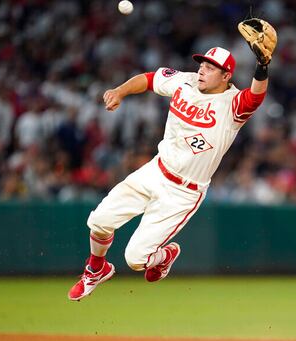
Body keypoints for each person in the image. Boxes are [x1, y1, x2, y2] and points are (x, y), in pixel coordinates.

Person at [68, 45, 272, 301]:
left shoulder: (232, 105)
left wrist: (262, 66)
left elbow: (255, 97)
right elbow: (150, 79)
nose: (201, 70)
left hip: (183, 192)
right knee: (99, 221)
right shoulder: (184, 81)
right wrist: (120, 91)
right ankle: (96, 269)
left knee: (135, 259)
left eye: (210, 68)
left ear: (226, 76)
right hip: (156, 170)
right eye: (201, 64)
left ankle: (166, 255)